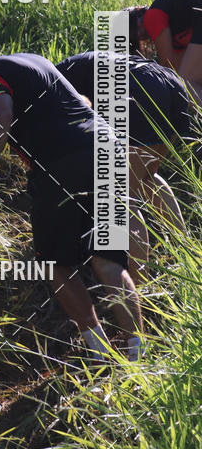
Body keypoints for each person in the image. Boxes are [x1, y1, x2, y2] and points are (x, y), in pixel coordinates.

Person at [0, 53, 144, 362]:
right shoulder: (32, 62)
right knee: (108, 260)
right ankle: (140, 354)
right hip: (106, 149)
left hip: (62, 162)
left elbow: (1, 113)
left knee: (54, 265)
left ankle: (100, 354)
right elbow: (82, 101)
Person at [57, 51, 190, 286]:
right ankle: (188, 256)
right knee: (147, 178)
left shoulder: (50, 86)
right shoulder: (62, 69)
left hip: (140, 90)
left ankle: (141, 289)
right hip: (170, 84)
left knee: (122, 197)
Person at [127, 0, 202, 106]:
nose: (140, 31)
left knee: (186, 84)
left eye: (135, 24)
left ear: (140, 9)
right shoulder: (174, 37)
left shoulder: (151, 16)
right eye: (134, 34)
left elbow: (168, 66)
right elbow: (177, 69)